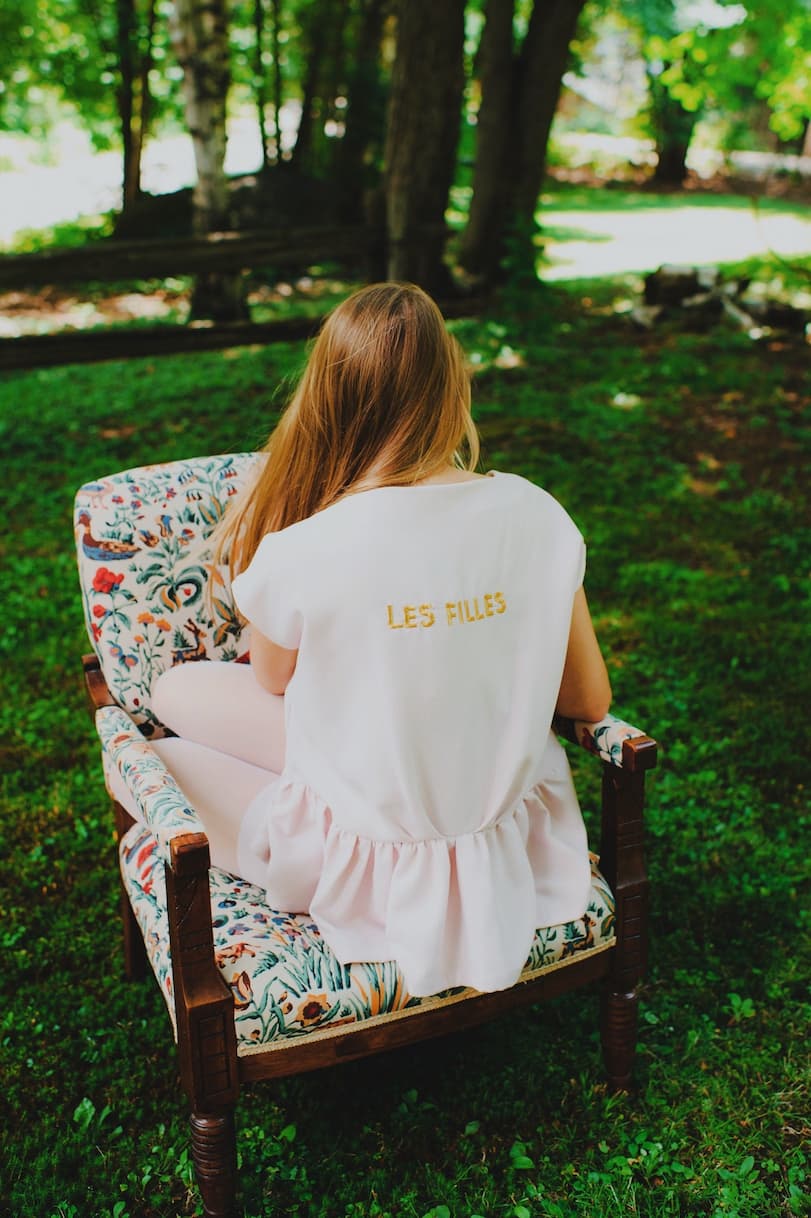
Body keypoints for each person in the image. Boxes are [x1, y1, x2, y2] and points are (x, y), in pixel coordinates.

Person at [110, 282, 611, 997]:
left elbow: (273, 681)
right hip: (509, 842)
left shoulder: (309, 546)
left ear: (328, 399)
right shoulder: (535, 513)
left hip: (366, 872)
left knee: (161, 745)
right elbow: (588, 700)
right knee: (181, 691)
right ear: (451, 388)